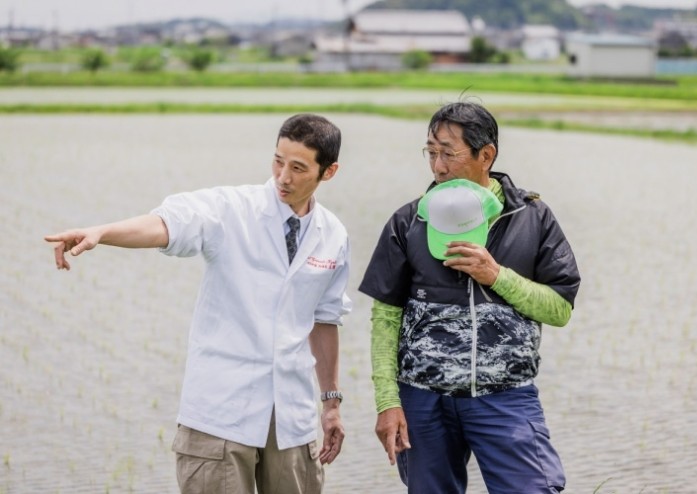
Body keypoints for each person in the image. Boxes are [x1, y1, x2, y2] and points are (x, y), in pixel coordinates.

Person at [45, 113, 352, 494]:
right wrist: (102, 232)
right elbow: (168, 225)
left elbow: (324, 320)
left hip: (291, 416)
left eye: (297, 167)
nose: (282, 177)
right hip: (220, 412)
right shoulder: (229, 209)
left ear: (329, 171)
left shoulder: (333, 234)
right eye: (277, 161)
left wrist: (331, 402)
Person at [359, 101, 580, 494]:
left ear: (487, 155)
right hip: (423, 401)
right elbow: (385, 319)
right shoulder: (408, 221)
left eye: (449, 153)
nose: (438, 166)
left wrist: (496, 276)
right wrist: (387, 402)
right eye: (431, 152)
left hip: (506, 397)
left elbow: (559, 309)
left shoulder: (530, 218)